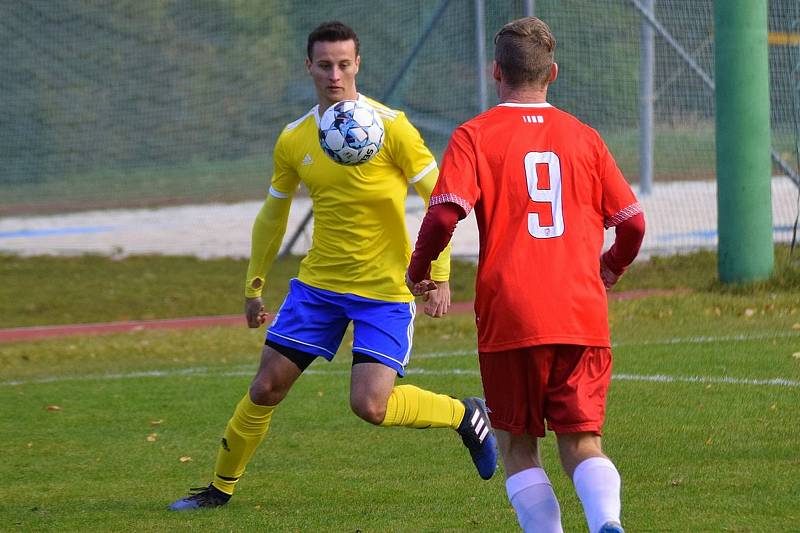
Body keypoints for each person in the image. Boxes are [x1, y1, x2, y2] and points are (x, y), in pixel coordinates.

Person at [168, 20, 497, 511]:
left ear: (358, 64)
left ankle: (464, 414)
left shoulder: (394, 128)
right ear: (309, 68)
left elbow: (441, 199)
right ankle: (218, 489)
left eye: (344, 64)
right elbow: (273, 214)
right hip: (318, 288)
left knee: (370, 406)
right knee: (265, 387)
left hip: (385, 290)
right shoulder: (295, 139)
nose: (335, 75)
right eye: (324, 65)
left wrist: (439, 274)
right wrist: (254, 285)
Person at [406, 17, 645, 533]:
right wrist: (611, 266)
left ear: (497, 71)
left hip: (511, 313)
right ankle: (607, 521)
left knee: (518, 444)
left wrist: (419, 269)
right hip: (581, 312)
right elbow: (633, 223)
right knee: (582, 443)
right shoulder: (585, 137)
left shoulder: (475, 135)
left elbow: (446, 213)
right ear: (552, 73)